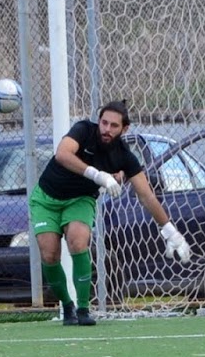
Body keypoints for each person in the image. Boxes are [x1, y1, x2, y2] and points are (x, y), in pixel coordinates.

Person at [32, 99, 191, 326]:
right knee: (49, 254)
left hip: (80, 200)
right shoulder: (83, 130)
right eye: (104, 123)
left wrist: (170, 231)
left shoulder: (124, 156)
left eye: (114, 125)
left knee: (78, 241)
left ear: (124, 129)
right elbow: (62, 155)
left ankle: (83, 309)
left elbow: (146, 196)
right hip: (46, 199)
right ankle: (67, 306)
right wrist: (98, 175)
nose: (107, 129)